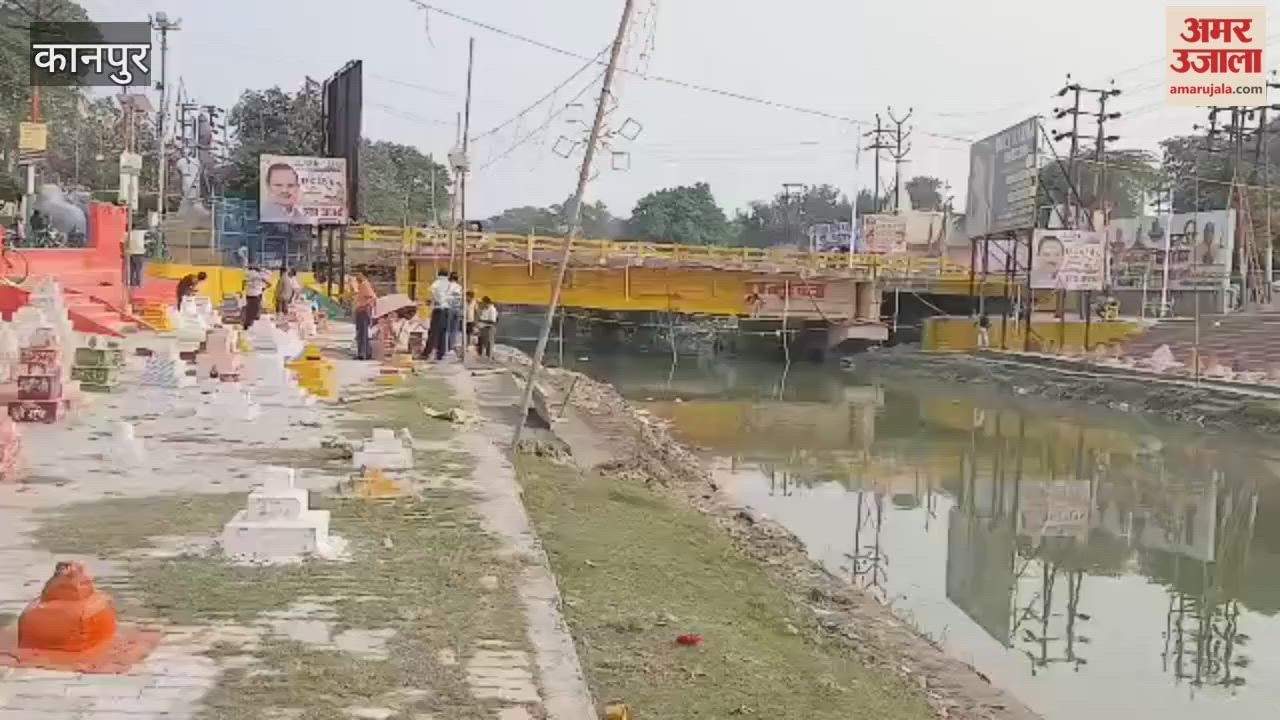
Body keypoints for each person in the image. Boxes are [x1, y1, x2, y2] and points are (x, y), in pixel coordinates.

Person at [424, 269, 451, 360]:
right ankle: (440, 354)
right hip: (448, 311)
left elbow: (434, 294)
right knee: (443, 333)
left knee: (433, 333)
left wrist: (432, 302)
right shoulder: (450, 284)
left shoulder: (437, 283)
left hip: (438, 310)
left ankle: (427, 353)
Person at [353, 273, 377, 361]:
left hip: (363, 312)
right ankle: (365, 352)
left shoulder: (364, 285)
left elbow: (372, 298)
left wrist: (364, 306)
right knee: (361, 333)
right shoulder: (361, 285)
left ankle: (363, 354)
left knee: (362, 333)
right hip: (361, 311)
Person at [446, 272, 464, 357]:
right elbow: (461, 300)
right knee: (454, 330)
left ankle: (447, 347)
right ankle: (451, 347)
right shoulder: (460, 287)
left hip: (449, 309)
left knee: (447, 329)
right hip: (457, 310)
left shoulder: (447, 286)